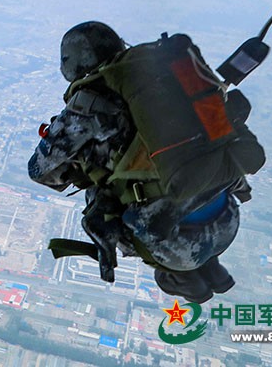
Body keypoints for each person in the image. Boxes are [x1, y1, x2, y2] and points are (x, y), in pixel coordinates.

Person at [28, 21, 245, 303]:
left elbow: (40, 171)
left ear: (71, 64)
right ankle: (210, 269)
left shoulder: (89, 103)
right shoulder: (166, 80)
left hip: (177, 245)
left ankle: (183, 278)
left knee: (103, 194)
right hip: (229, 214)